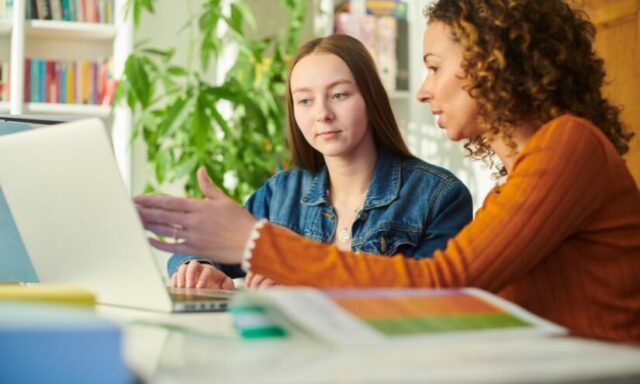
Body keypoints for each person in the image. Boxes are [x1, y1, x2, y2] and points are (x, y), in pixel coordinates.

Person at [135, 0, 640, 342]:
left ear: (494, 62)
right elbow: (471, 308)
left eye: (435, 66)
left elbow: (444, 284)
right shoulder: (526, 172)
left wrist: (256, 244)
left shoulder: (567, 145)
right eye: (304, 101)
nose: (423, 90)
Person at [162, 34, 473, 290]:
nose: (322, 113)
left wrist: (306, 284)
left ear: (370, 98)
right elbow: (202, 245)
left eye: (338, 95)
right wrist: (198, 267)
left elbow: (431, 302)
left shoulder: (438, 196)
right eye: (305, 100)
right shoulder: (281, 194)